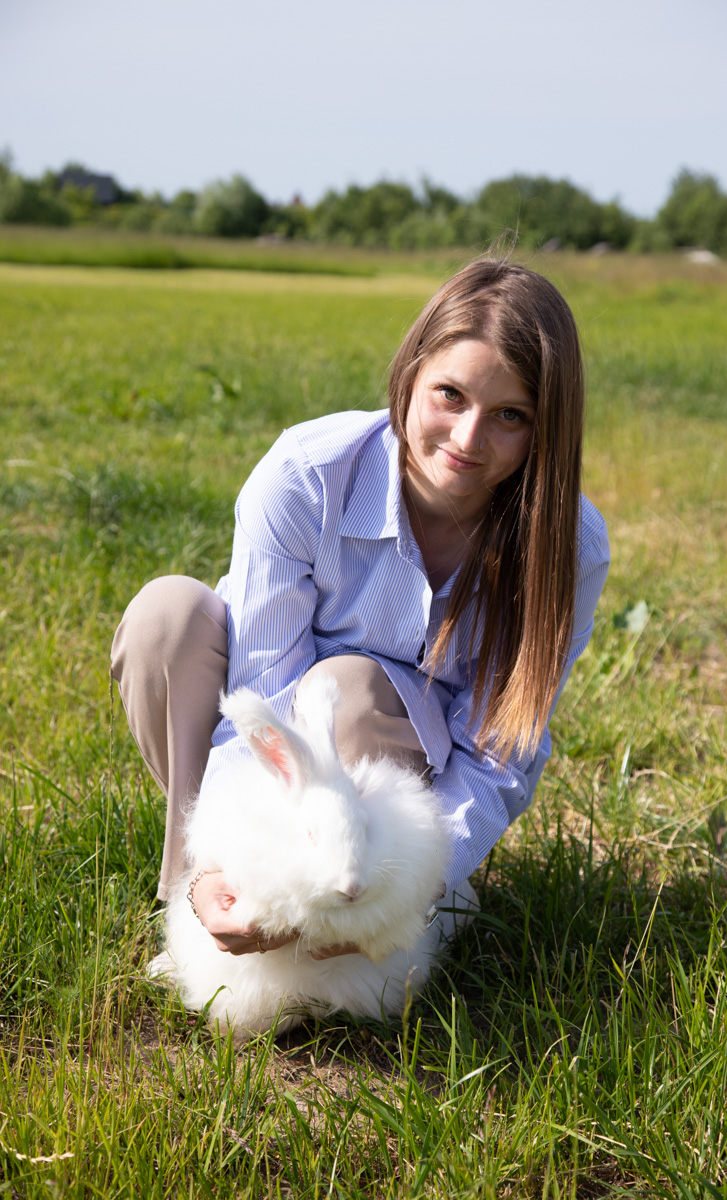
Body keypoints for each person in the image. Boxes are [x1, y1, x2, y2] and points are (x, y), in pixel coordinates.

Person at [111, 258, 610, 962]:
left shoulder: (569, 546)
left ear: (545, 429)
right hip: (287, 764)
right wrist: (229, 857)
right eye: (450, 395)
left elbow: (500, 752)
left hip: (401, 790)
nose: (467, 440)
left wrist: (429, 875)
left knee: (348, 688)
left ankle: (398, 909)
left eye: (510, 416)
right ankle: (198, 894)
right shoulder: (303, 477)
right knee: (167, 617)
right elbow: (259, 700)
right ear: (409, 375)